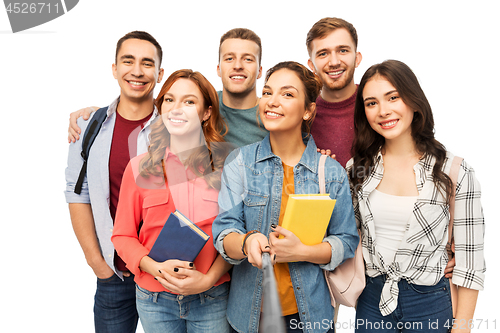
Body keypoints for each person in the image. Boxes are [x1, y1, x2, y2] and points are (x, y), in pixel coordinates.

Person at [212, 61, 359, 333]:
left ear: (308, 111)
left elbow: (346, 240)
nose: (272, 101)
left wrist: (302, 252)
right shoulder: (240, 163)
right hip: (248, 317)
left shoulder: (330, 172)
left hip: (309, 318)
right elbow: (224, 231)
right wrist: (246, 242)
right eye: (267, 92)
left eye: (287, 94)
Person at [348, 60, 485, 333]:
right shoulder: (357, 170)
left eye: (393, 97)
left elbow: (471, 263)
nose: (383, 111)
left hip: (430, 303)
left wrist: (462, 328)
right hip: (371, 302)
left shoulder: (454, 171)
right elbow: (345, 237)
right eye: (371, 103)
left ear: (413, 100)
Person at [111, 69, 233, 332]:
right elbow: (122, 236)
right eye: (169, 100)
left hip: (211, 297)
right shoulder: (140, 168)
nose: (177, 109)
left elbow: (235, 233)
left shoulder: (227, 168)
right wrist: (153, 267)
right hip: (154, 300)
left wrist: (207, 279)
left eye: (189, 102)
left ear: (206, 113)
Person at [64, 31, 164, 332]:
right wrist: (97, 262)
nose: (137, 71)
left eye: (147, 63)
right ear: (114, 69)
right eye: (128, 61)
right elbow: (76, 193)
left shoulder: (175, 125)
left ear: (159, 74)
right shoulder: (88, 125)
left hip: (164, 273)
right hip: (114, 274)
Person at [68, 28, 268, 148]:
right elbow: (153, 108)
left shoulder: (273, 114)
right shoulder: (201, 104)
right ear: (218, 68)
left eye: (247, 59)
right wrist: (96, 114)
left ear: (259, 71)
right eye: (229, 58)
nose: (238, 65)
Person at [306, 17, 362, 167]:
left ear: (357, 58)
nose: (334, 62)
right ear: (311, 64)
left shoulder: (377, 104)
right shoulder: (302, 114)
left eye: (342, 50)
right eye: (323, 53)